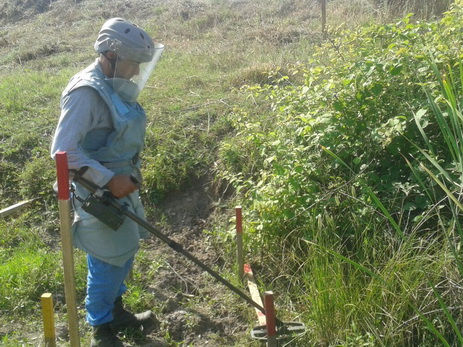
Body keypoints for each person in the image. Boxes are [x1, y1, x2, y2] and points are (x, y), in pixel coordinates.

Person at [51, 18, 164, 346]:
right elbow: (62, 152)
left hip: (119, 186)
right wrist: (107, 180)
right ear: (111, 55)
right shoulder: (86, 93)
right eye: (132, 64)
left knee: (123, 250)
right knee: (107, 258)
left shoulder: (110, 83)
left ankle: (115, 312)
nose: (134, 73)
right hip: (96, 193)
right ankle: (101, 331)